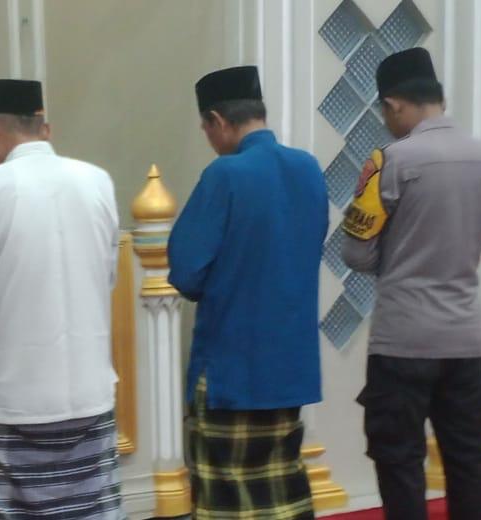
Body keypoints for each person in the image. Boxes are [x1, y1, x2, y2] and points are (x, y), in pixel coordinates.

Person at [0, 79, 125, 519]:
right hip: (90, 393)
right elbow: (106, 277)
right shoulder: (97, 181)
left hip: (13, 397)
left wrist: (4, 324)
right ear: (45, 128)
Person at [342, 48, 481, 520]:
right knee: (468, 461)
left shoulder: (389, 161)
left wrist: (400, 256)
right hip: (466, 337)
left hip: (403, 339)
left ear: (393, 104)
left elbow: (356, 254)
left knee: (400, 462)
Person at [169, 65, 327, 520]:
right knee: (282, 496)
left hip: (231, 371)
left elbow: (186, 271)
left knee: (227, 501)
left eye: (206, 129)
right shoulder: (307, 168)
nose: (208, 138)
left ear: (218, 120)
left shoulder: (225, 174)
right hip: (289, 369)